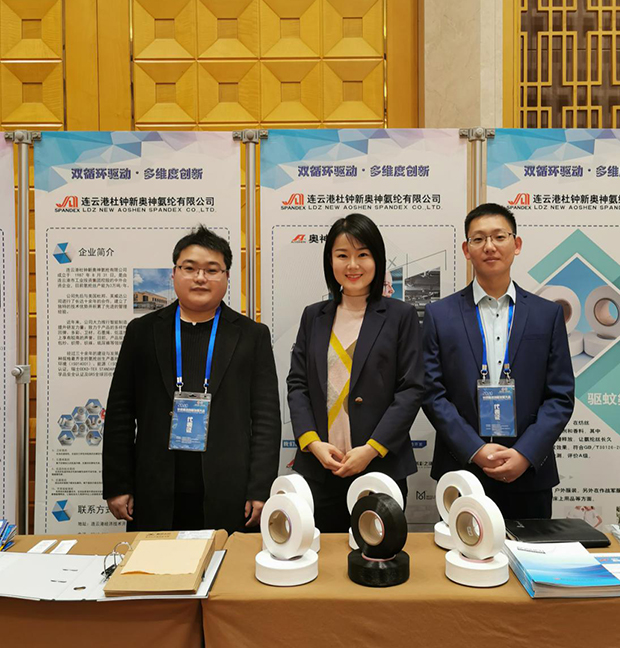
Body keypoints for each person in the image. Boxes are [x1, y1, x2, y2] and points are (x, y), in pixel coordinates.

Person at [102, 225, 281, 532]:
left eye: (212, 270)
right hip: (155, 487)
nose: (200, 277)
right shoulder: (142, 332)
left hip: (230, 489)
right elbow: (120, 411)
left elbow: (266, 418)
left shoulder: (252, 336)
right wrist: (118, 484)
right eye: (190, 268)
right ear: (174, 274)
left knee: (226, 561)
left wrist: (260, 488)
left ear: (226, 277)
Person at [422, 203, 575, 519]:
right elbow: (432, 394)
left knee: (529, 550)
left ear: (516, 244)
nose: (489, 246)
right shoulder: (440, 315)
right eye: (478, 239)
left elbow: (560, 396)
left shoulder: (547, 315)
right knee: (459, 551)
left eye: (499, 237)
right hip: (462, 471)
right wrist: (475, 449)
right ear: (466, 250)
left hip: (528, 474)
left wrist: (525, 453)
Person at [287, 214, 424, 532]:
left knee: (377, 555)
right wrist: (312, 443)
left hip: (381, 469)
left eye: (363, 254)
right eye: (342, 255)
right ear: (330, 261)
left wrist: (372, 449)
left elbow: (412, 388)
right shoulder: (313, 316)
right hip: (320, 469)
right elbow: (297, 384)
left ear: (377, 259)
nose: (352, 265)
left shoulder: (400, 316)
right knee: (322, 556)